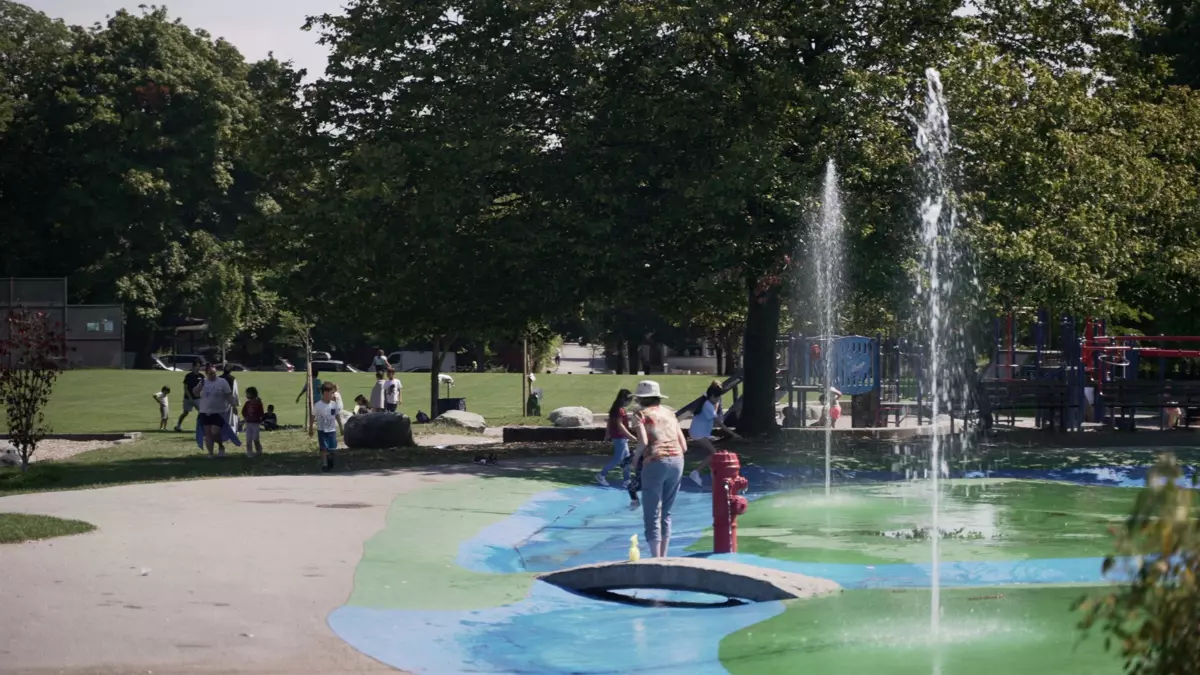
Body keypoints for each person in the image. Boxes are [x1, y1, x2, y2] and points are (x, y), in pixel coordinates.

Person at [629, 380, 687, 558]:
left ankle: (655, 558)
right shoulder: (670, 413)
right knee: (666, 512)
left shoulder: (640, 414)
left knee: (652, 512)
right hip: (678, 459)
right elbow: (684, 445)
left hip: (655, 461)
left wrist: (635, 460)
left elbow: (644, 442)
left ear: (640, 398)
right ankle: (664, 555)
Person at [687, 383, 742, 486]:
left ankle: (713, 473)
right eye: (717, 398)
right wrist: (733, 434)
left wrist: (716, 403)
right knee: (714, 453)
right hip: (698, 433)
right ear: (712, 396)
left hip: (701, 432)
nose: (718, 400)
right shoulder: (707, 405)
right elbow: (719, 423)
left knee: (713, 452)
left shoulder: (708, 402)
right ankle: (695, 472)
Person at [193, 363, 234, 458]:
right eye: (211, 373)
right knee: (208, 434)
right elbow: (195, 393)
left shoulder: (222, 382)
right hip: (205, 411)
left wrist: (233, 405)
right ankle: (210, 454)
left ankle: (221, 446)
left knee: (214, 432)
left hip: (218, 412)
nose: (213, 375)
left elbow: (228, 395)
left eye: (214, 373)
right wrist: (200, 386)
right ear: (206, 373)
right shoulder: (203, 382)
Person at [597, 389, 635, 487]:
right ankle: (601, 475)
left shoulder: (615, 408)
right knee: (618, 459)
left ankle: (627, 480)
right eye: (629, 401)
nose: (629, 403)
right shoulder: (620, 410)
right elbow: (620, 425)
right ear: (625, 400)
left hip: (619, 436)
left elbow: (609, 422)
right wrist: (630, 436)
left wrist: (607, 434)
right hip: (619, 437)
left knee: (626, 459)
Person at [311, 382, 344, 472]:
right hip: (322, 430)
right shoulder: (318, 405)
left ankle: (330, 459)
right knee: (323, 449)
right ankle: (324, 465)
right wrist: (311, 428)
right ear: (325, 393)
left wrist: (341, 427)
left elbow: (337, 416)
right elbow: (313, 416)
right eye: (331, 393)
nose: (333, 395)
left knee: (332, 449)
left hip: (332, 430)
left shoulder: (334, 404)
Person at [174, 362, 204, 431]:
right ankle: (178, 425)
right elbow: (185, 387)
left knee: (202, 413)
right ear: (193, 367)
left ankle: (200, 427)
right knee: (185, 413)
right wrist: (189, 397)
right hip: (188, 398)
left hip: (198, 398)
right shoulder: (188, 376)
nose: (198, 368)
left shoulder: (201, 376)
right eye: (197, 366)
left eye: (199, 366)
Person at [241, 386, 265, 457]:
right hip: (248, 423)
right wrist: (246, 417)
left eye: (248, 394)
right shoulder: (247, 403)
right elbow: (243, 411)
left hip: (256, 423)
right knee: (248, 438)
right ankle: (249, 452)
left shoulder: (258, 404)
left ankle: (258, 450)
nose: (246, 395)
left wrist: (259, 418)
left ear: (252, 394)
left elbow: (261, 413)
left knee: (255, 438)